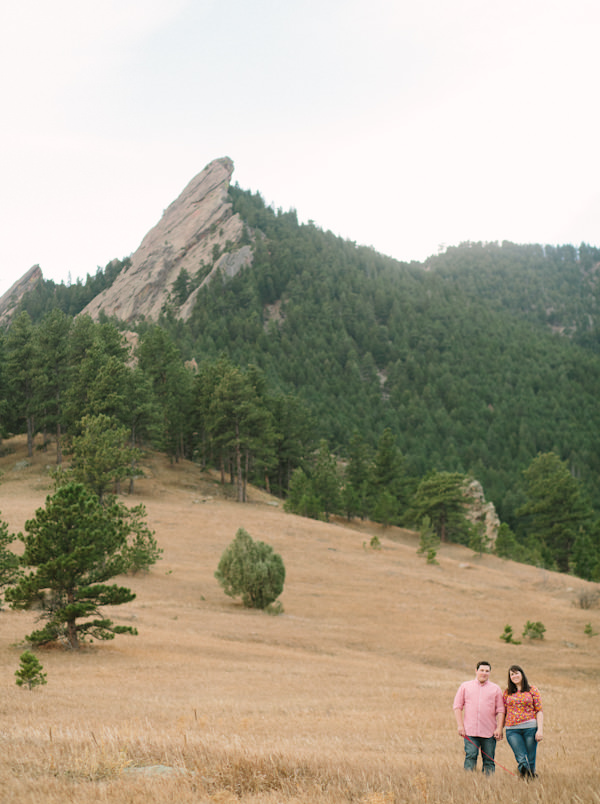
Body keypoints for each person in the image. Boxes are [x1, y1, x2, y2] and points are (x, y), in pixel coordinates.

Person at [453, 660, 504, 774]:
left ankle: (488, 785)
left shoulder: (495, 689)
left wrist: (499, 728)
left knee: (489, 760)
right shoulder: (465, 686)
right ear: (476, 671)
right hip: (470, 731)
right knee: (471, 756)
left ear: (490, 673)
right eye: (482, 670)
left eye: (487, 671)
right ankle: (469, 783)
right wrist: (460, 726)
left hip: (489, 732)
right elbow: (457, 706)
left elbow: (501, 710)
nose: (484, 673)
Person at [501, 665, 543, 778]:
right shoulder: (507, 693)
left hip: (530, 728)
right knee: (521, 757)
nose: (514, 676)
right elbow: (502, 712)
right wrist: (499, 728)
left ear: (522, 674)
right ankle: (523, 770)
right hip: (512, 730)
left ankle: (529, 780)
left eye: (516, 673)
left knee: (530, 757)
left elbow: (539, 710)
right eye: (512, 674)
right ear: (509, 677)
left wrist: (540, 730)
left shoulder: (532, 690)